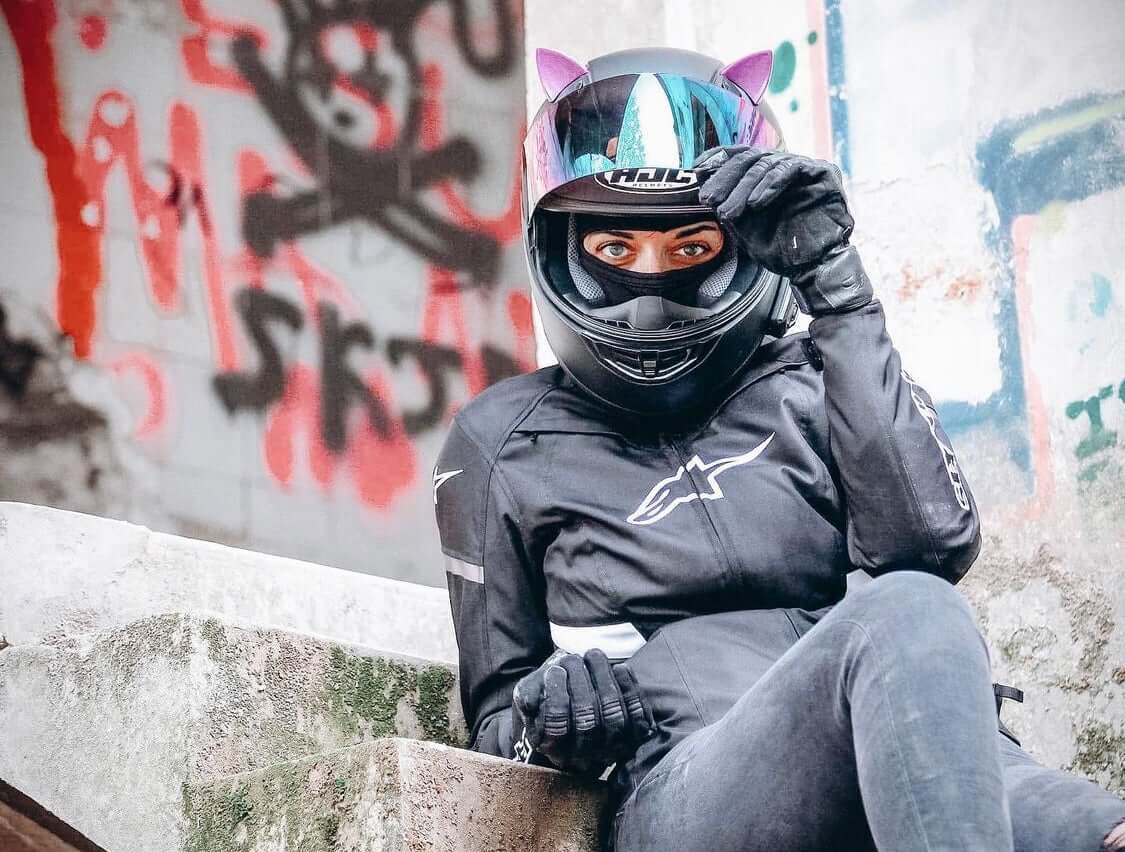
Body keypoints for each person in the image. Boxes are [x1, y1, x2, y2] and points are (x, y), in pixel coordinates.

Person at [434, 45, 1125, 851]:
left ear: (739, 248)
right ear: (561, 246)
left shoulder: (813, 376)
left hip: (923, 761)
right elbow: (492, 719)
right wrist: (551, 715)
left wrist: (836, 286)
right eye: (615, 252)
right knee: (903, 610)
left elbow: (926, 546)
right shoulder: (499, 439)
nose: (650, 287)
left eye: (689, 249)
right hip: (690, 784)